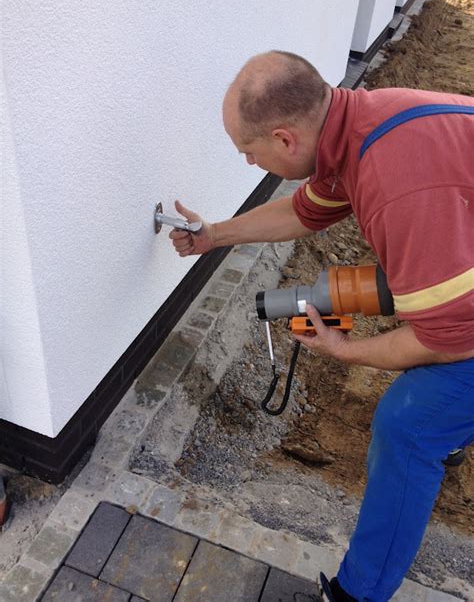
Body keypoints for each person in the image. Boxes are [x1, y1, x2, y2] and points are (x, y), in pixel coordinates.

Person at [169, 51, 474, 602]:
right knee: (415, 299)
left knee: (409, 425)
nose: (247, 163)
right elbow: (303, 213)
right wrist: (215, 234)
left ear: (285, 139)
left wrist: (345, 351)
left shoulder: (395, 183)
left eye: (249, 151)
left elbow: (445, 339)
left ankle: (357, 595)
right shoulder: (359, 125)